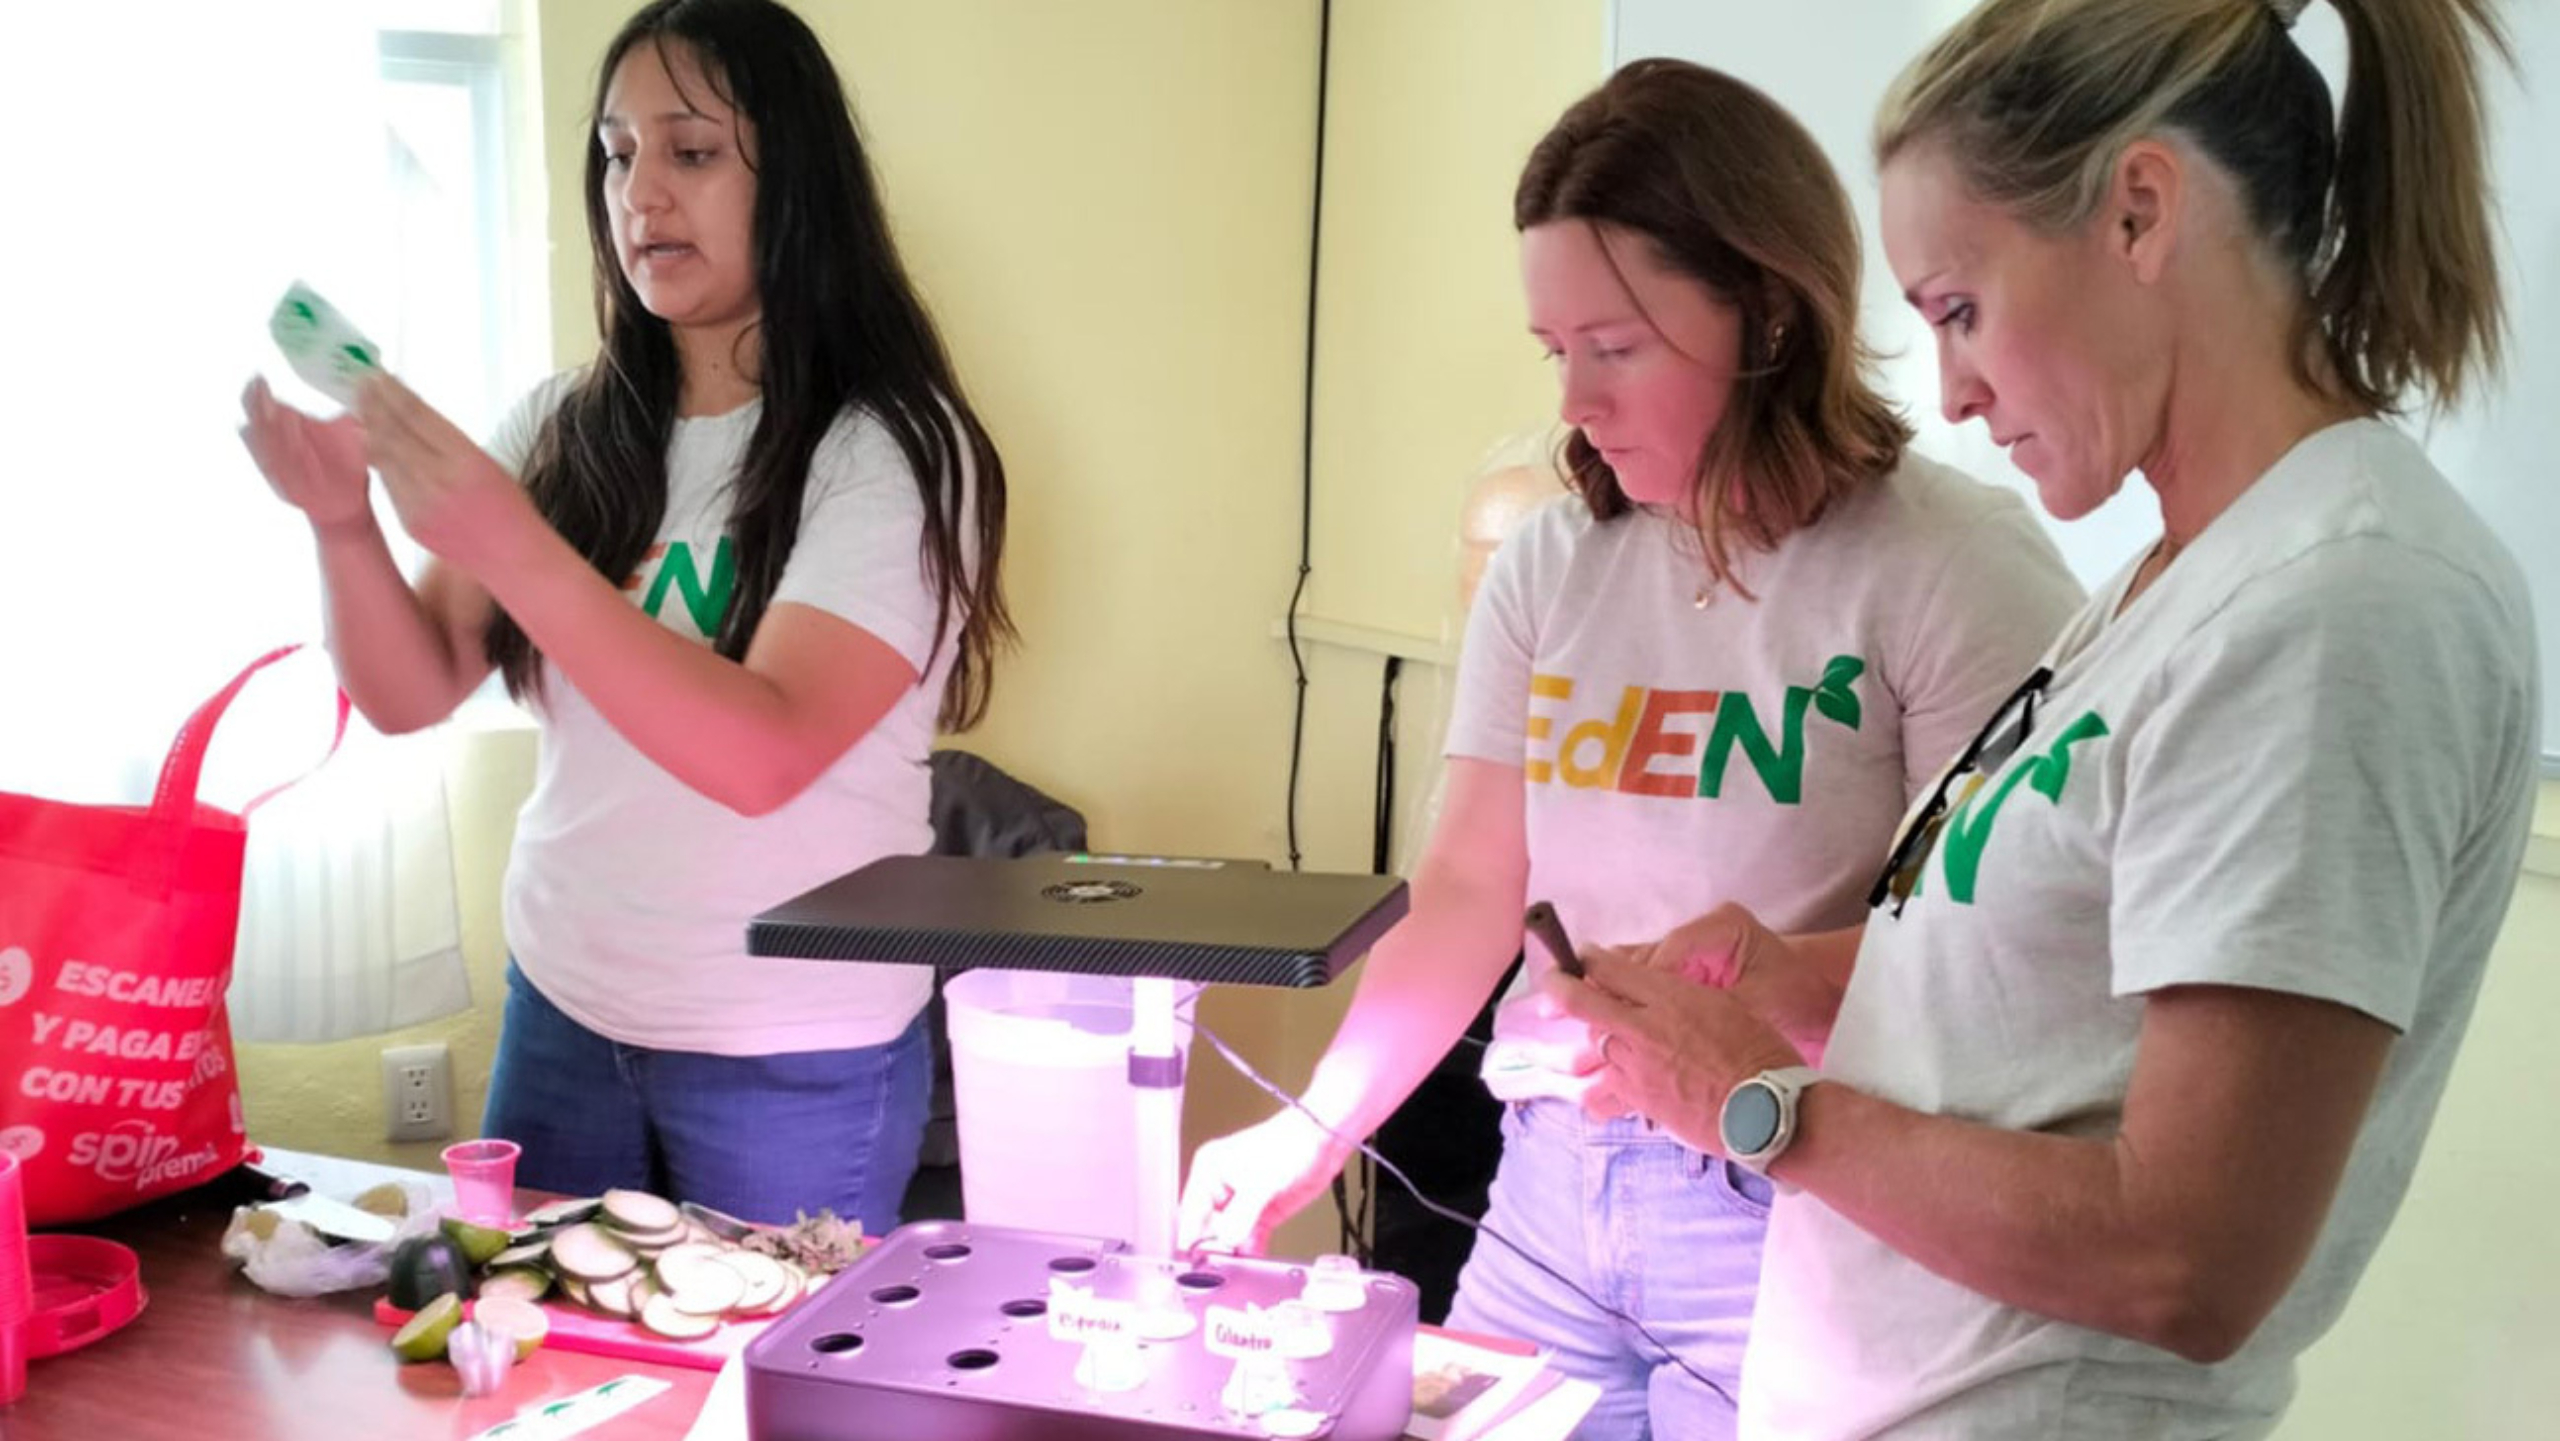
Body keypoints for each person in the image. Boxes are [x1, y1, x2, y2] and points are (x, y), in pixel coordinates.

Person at [1552, 2, 2540, 1436]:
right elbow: (2056, 1000)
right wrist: (1796, 978)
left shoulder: (2340, 603)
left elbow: (2185, 1254)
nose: (1948, 389)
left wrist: (1753, 1103)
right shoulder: (2184, 570)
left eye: (1959, 307)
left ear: (2140, 211)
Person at [1178, 60, 2083, 1439]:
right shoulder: (1555, 562)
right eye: (1559, 354)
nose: (1578, 403)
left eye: (1619, 347)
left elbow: (2001, 956)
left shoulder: (1950, 566)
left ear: (1767, 311)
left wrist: (1765, 985)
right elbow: (1473, 889)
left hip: (1791, 1195)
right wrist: (1312, 1128)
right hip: (1550, 1184)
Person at [236, 0, 1010, 1233]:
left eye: (691, 151)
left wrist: (512, 542)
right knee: (547, 1384)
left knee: (761, 1404)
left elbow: (761, 754)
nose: (641, 192)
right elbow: (408, 690)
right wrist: (343, 524)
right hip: (565, 1008)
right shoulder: (561, 428)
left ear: (797, 178)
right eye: (615, 152)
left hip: (791, 1047)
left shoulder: (892, 451)